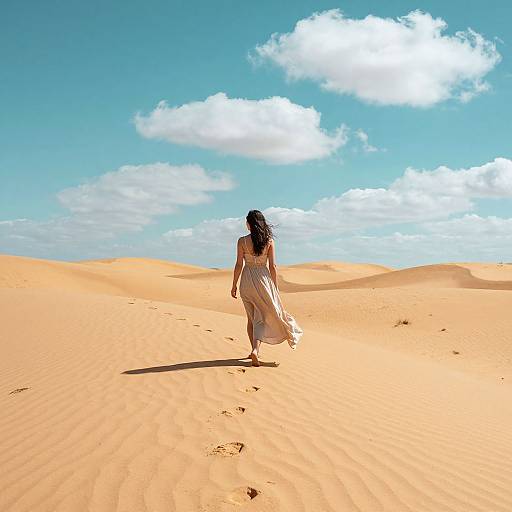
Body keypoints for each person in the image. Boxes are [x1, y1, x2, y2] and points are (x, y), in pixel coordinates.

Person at [231, 210, 303, 367]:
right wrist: (275, 287)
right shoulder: (269, 241)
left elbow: (238, 265)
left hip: (247, 280)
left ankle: (253, 350)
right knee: (261, 318)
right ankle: (256, 351)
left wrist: (234, 285)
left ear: (250, 224)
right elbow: (273, 266)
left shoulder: (242, 241)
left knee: (251, 318)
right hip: (263, 281)